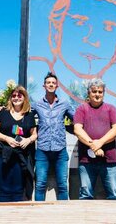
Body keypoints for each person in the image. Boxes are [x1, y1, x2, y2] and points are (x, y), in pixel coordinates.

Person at [29, 0, 116, 105]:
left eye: (108, 27)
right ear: (55, 33)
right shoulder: (30, 89)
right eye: (80, 22)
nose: (93, 40)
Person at [73, 78, 116, 200]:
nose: (97, 94)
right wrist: (93, 146)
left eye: (100, 92)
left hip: (109, 160)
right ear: (89, 93)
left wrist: (99, 142)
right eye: (94, 91)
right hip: (86, 161)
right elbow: (78, 130)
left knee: (114, 196)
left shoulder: (111, 109)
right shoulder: (81, 109)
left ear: (103, 93)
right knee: (85, 196)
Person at [0, 85, 37, 202]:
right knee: (4, 189)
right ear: (10, 98)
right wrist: (7, 138)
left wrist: (28, 140)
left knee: (20, 190)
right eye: (13, 96)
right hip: (4, 157)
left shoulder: (29, 115)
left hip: (22, 159)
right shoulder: (3, 113)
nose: (16, 98)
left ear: (24, 97)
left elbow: (34, 134)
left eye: (19, 95)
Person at [32, 72, 74, 201]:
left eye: (53, 83)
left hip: (60, 149)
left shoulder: (65, 104)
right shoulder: (36, 104)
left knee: (62, 185)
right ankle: (38, 216)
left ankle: (63, 215)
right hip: (42, 149)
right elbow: (23, 116)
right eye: (48, 83)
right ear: (44, 86)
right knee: (40, 185)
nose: (51, 85)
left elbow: (77, 118)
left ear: (57, 86)